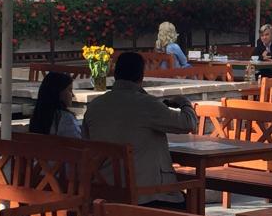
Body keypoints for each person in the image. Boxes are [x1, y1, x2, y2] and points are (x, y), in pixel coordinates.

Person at [83, 51, 197, 208]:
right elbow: (188, 123)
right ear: (141, 76)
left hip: (105, 193)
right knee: (194, 194)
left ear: (115, 74)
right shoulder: (147, 104)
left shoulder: (95, 106)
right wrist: (185, 103)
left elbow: (86, 142)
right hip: (146, 196)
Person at [29, 71, 81, 138]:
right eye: (69, 90)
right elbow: (76, 141)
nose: (73, 95)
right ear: (58, 92)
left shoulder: (37, 116)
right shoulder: (65, 118)